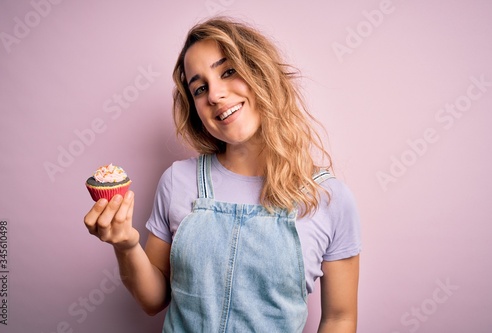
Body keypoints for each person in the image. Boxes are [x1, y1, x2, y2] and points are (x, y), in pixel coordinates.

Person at [84, 16, 361, 333]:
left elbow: (340, 318)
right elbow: (153, 300)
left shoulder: (329, 198)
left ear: (260, 72)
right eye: (200, 88)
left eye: (228, 71)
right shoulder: (177, 181)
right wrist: (126, 245)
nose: (214, 95)